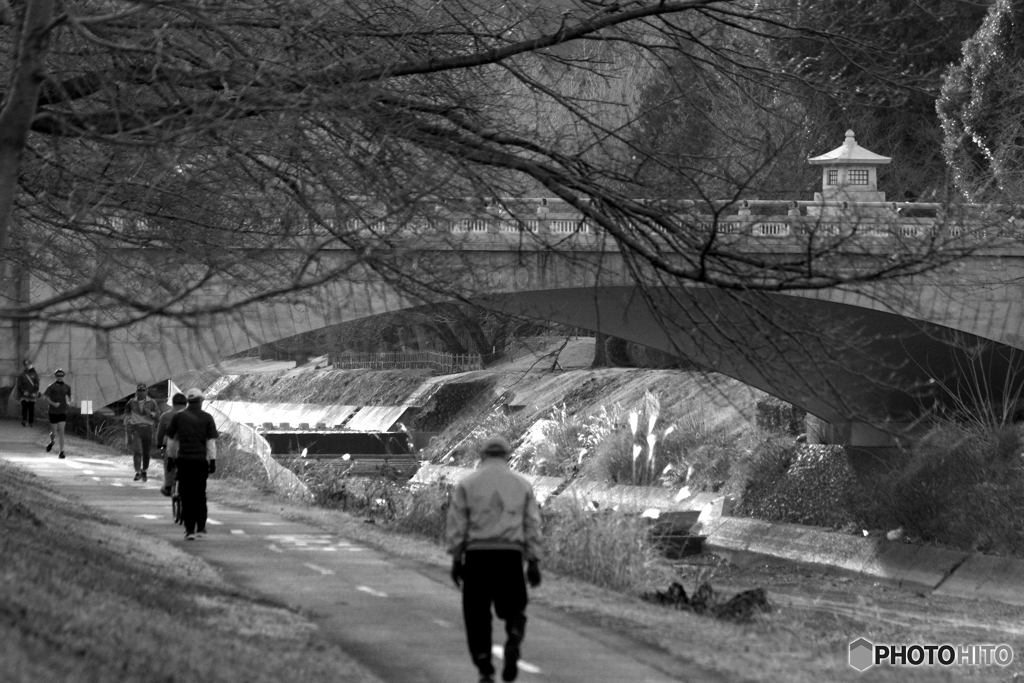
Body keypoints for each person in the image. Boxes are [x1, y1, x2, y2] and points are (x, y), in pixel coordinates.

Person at [446, 436, 543, 683]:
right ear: (508, 456)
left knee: (476, 614)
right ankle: (513, 629)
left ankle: (485, 668)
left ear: (482, 455)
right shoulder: (522, 485)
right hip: (510, 556)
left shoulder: (468, 484)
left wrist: (457, 558)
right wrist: (533, 561)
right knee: (513, 605)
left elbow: (458, 524)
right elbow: (532, 525)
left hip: (477, 557)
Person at [164, 388, 218, 541]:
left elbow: (171, 441)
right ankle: (201, 527)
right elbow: (210, 443)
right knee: (200, 494)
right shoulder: (207, 418)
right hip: (200, 462)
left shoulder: (178, 417)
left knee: (186, 495)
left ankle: (189, 530)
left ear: (188, 401)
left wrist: (170, 458)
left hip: (183, 461)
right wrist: (212, 461)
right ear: (200, 401)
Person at [124, 382, 159, 482]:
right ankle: (138, 471)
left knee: (146, 452)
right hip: (136, 428)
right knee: (137, 451)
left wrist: (151, 414)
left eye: (143, 390)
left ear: (146, 391)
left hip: (148, 429)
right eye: (139, 390)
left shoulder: (152, 402)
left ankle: (144, 470)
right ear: (137, 391)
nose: (141, 392)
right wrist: (128, 420)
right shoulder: (131, 402)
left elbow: (158, 415)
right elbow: (126, 411)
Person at [156, 392, 187, 496]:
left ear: (172, 403)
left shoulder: (165, 415)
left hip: (171, 446)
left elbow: (160, 433)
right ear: (186, 404)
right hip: (188, 446)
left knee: (168, 462)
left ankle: (168, 486)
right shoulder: (191, 415)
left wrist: (159, 444)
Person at [43, 369, 72, 459]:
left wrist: (70, 402)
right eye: (58, 375)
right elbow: (46, 397)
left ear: (64, 376)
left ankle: (61, 452)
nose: (60, 377)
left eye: (61, 376)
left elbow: (69, 396)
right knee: (54, 432)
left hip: (62, 411)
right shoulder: (51, 387)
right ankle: (52, 442)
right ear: (55, 376)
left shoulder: (67, 387)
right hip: (52, 411)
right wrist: (53, 404)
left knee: (62, 431)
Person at [16, 360, 39, 427]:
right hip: (24, 395)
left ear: (31, 365)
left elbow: (36, 384)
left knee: (31, 408)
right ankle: (24, 420)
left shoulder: (35, 375)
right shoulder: (21, 375)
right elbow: (19, 385)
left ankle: (31, 421)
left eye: (28, 365)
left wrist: (35, 392)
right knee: (24, 408)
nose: (27, 366)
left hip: (32, 394)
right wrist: (23, 391)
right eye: (26, 365)